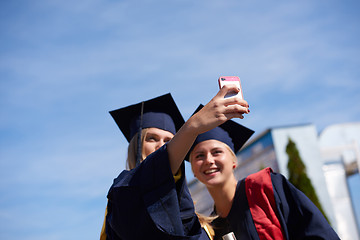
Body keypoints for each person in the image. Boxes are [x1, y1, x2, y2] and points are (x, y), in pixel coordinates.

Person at [101, 89, 246, 240]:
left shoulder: (198, 219)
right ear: (135, 146)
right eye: (151, 138)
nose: (161, 146)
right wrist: (193, 127)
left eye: (169, 141)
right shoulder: (120, 200)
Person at [187, 105, 341, 240]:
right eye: (199, 156)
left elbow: (318, 233)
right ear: (193, 169)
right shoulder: (211, 232)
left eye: (216, 152)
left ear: (234, 161)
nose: (208, 160)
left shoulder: (265, 188)